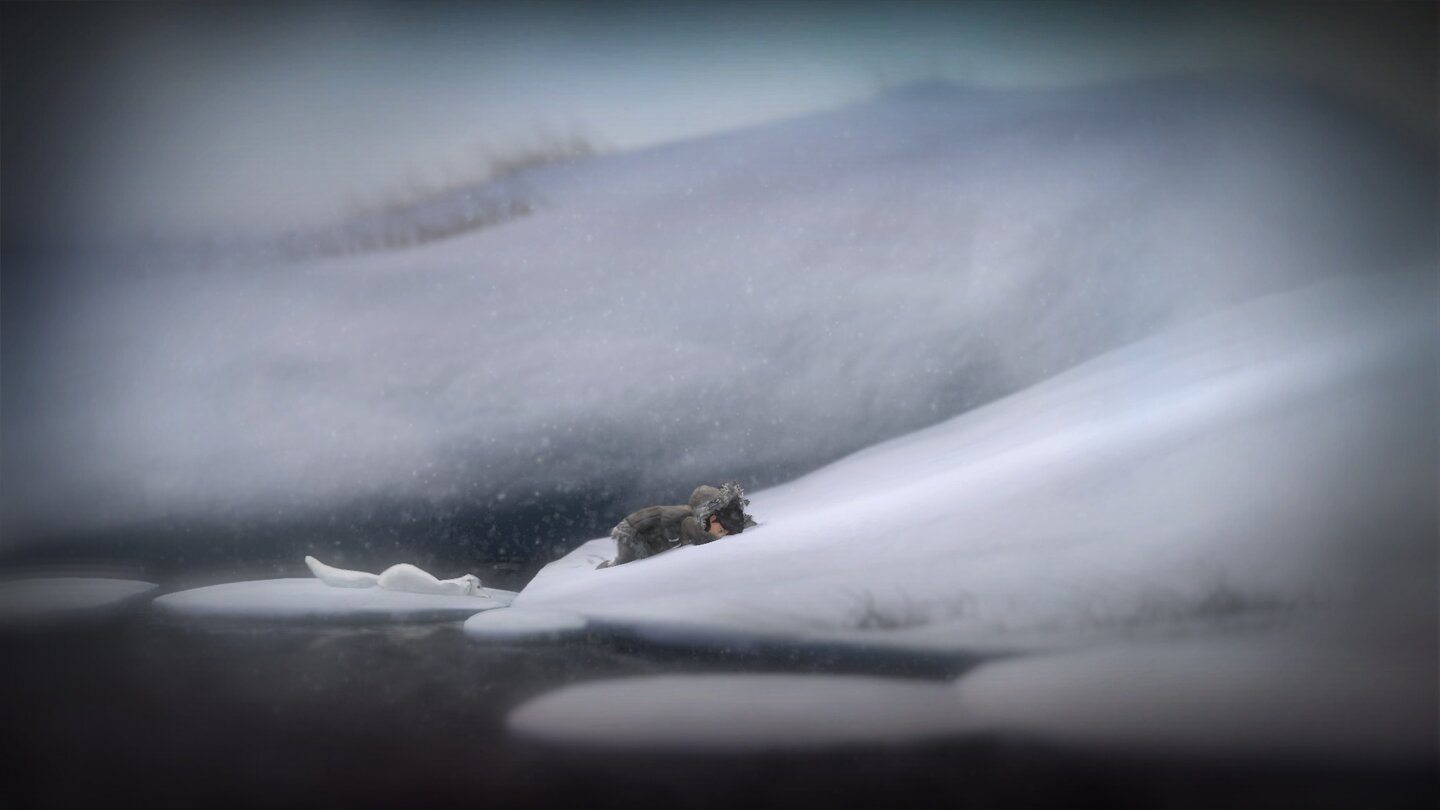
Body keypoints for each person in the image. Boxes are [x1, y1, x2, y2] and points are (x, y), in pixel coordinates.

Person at [597, 481, 756, 569]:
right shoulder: (683, 520)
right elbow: (641, 520)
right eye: (721, 529)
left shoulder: (718, 522)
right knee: (619, 565)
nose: (724, 534)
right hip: (643, 546)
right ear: (708, 518)